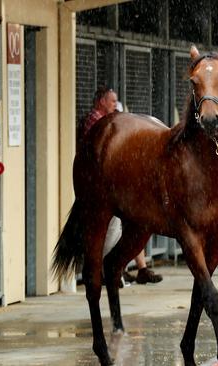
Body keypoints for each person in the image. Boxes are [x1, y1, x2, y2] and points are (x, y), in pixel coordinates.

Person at [80, 86, 162, 285]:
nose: (115, 106)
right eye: (112, 101)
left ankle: (137, 268)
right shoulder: (97, 121)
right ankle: (107, 268)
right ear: (101, 101)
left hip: (113, 180)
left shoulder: (109, 120)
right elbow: (102, 145)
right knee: (112, 228)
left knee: (135, 226)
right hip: (99, 182)